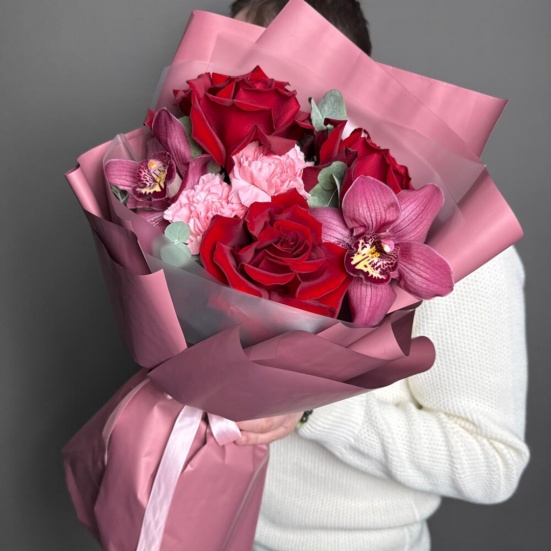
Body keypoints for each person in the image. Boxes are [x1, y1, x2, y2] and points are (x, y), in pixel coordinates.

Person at [229, 1, 530, 550]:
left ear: (340, 71)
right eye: (227, 57)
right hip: (222, 524)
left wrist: (312, 407)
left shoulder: (458, 240)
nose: (234, 86)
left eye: (259, 65)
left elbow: (492, 463)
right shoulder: (227, 201)